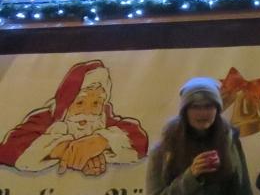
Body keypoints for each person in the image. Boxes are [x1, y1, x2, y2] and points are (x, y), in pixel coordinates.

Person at [0, 59, 149, 173]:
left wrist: (101, 141)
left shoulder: (104, 119)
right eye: (80, 103)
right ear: (67, 102)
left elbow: (139, 139)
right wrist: (65, 150)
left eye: (96, 103)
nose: (87, 111)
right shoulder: (47, 118)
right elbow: (8, 149)